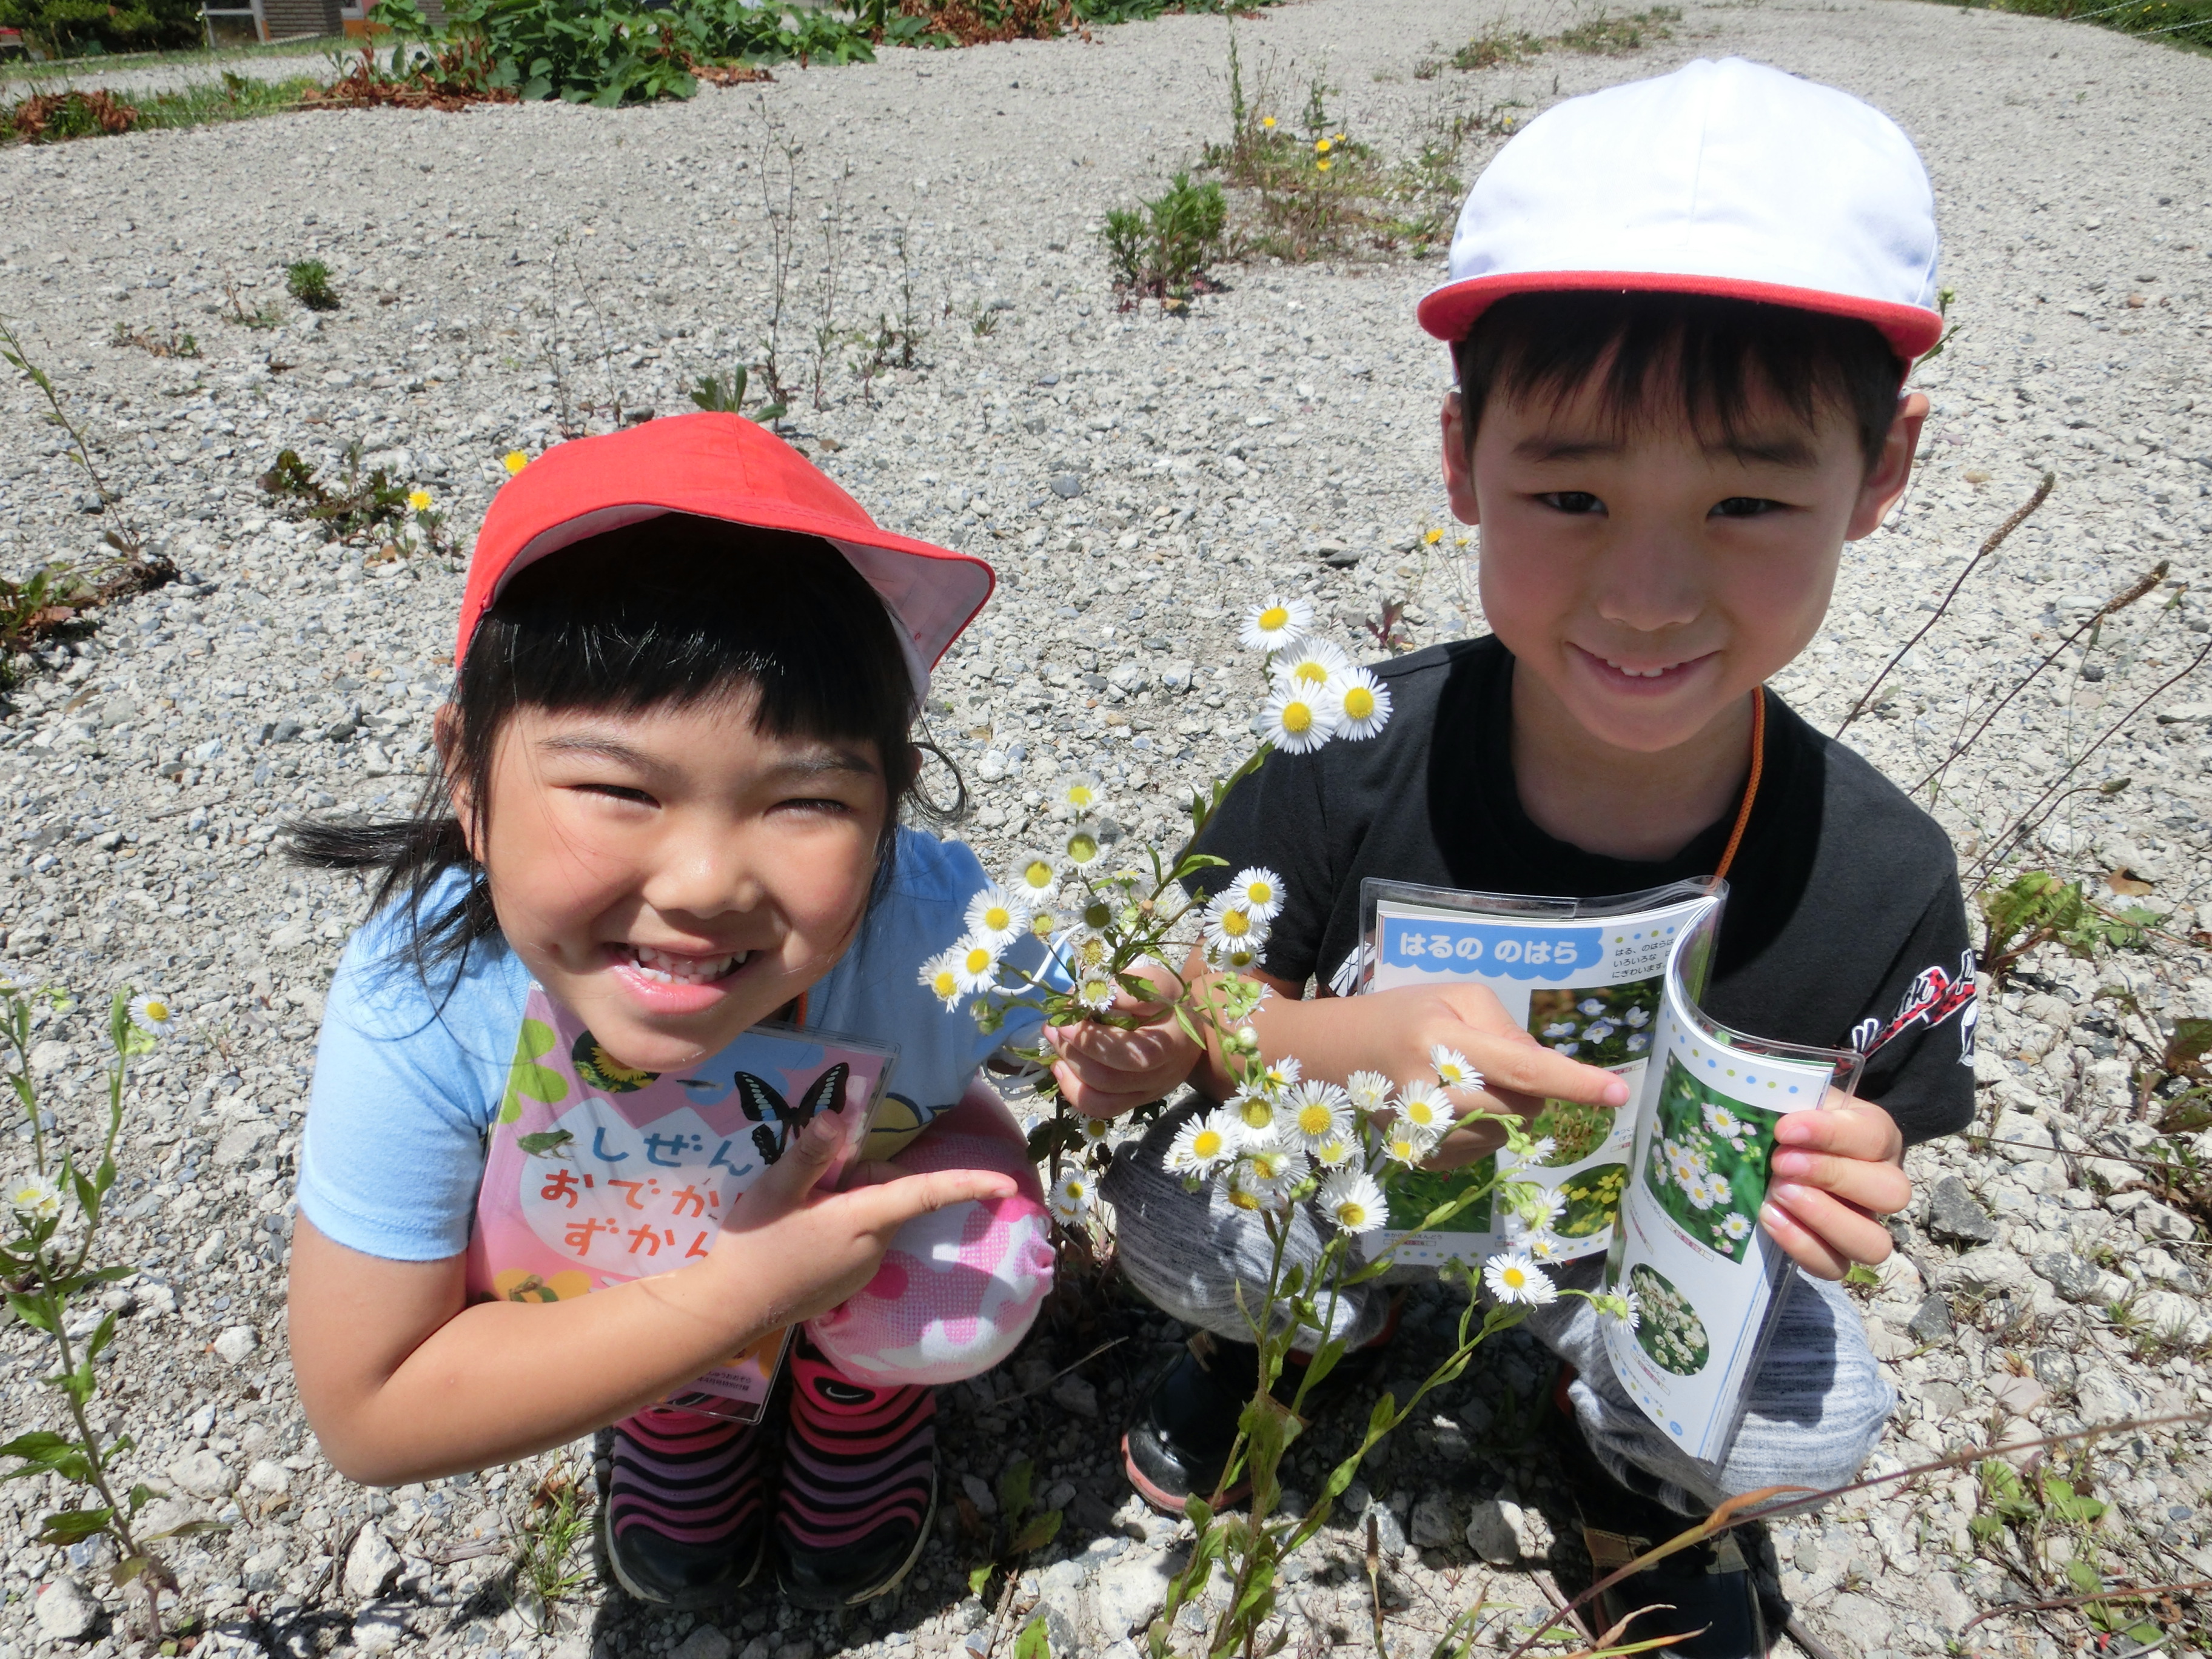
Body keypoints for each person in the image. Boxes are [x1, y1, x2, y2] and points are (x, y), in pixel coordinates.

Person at [1053, 59, 1977, 1658]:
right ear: (1461, 456)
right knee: (1179, 1225)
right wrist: (1327, 1044)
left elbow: (1882, 1130)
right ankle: (1313, 1335)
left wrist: (1855, 1168)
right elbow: (1190, 1003)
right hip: (1357, 1175)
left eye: (1749, 501)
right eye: (1570, 493)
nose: (1646, 596)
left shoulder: (1880, 875)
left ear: (1881, 472)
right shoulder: (1342, 753)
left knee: (1815, 1421)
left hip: (1628, 1264)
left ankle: (1620, 1451)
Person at [285, 414, 1060, 1614]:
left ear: (888, 808)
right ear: (468, 779)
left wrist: (1141, 1043)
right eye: (617, 788)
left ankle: (860, 1390)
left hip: (853, 1209)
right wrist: (743, 1300)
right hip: (636, 1258)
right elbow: (370, 1410)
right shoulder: (426, 993)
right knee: (562, 1216)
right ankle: (679, 1401)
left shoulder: (937, 930)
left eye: (805, 800)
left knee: (969, 1246)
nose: (703, 885)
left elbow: (1135, 1012)